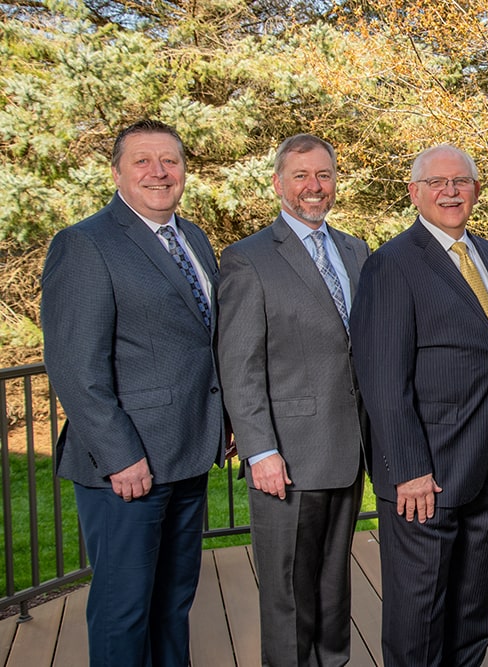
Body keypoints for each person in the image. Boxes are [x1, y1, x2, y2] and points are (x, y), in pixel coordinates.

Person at [39, 119, 226, 666]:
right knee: (125, 611)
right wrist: (122, 456)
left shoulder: (191, 237)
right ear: (117, 172)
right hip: (127, 468)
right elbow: (76, 368)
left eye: (170, 160)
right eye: (142, 160)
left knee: (172, 603)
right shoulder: (84, 244)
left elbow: (200, 341)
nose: (158, 172)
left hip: (186, 455)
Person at [350, 144, 488, 667]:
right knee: (420, 617)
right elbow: (383, 380)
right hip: (425, 476)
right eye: (437, 182)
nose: (450, 191)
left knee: (474, 612)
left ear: (476, 189)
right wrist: (408, 469)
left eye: (461, 181)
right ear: (415, 193)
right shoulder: (391, 264)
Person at [216, 134, 369, 667]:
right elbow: (238, 367)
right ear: (279, 183)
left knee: (333, 581)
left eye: (323, 175)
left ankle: (334, 661)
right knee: (287, 591)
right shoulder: (248, 259)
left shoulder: (355, 250)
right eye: (300, 175)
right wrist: (260, 451)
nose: (313, 186)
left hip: (348, 448)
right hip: (288, 457)